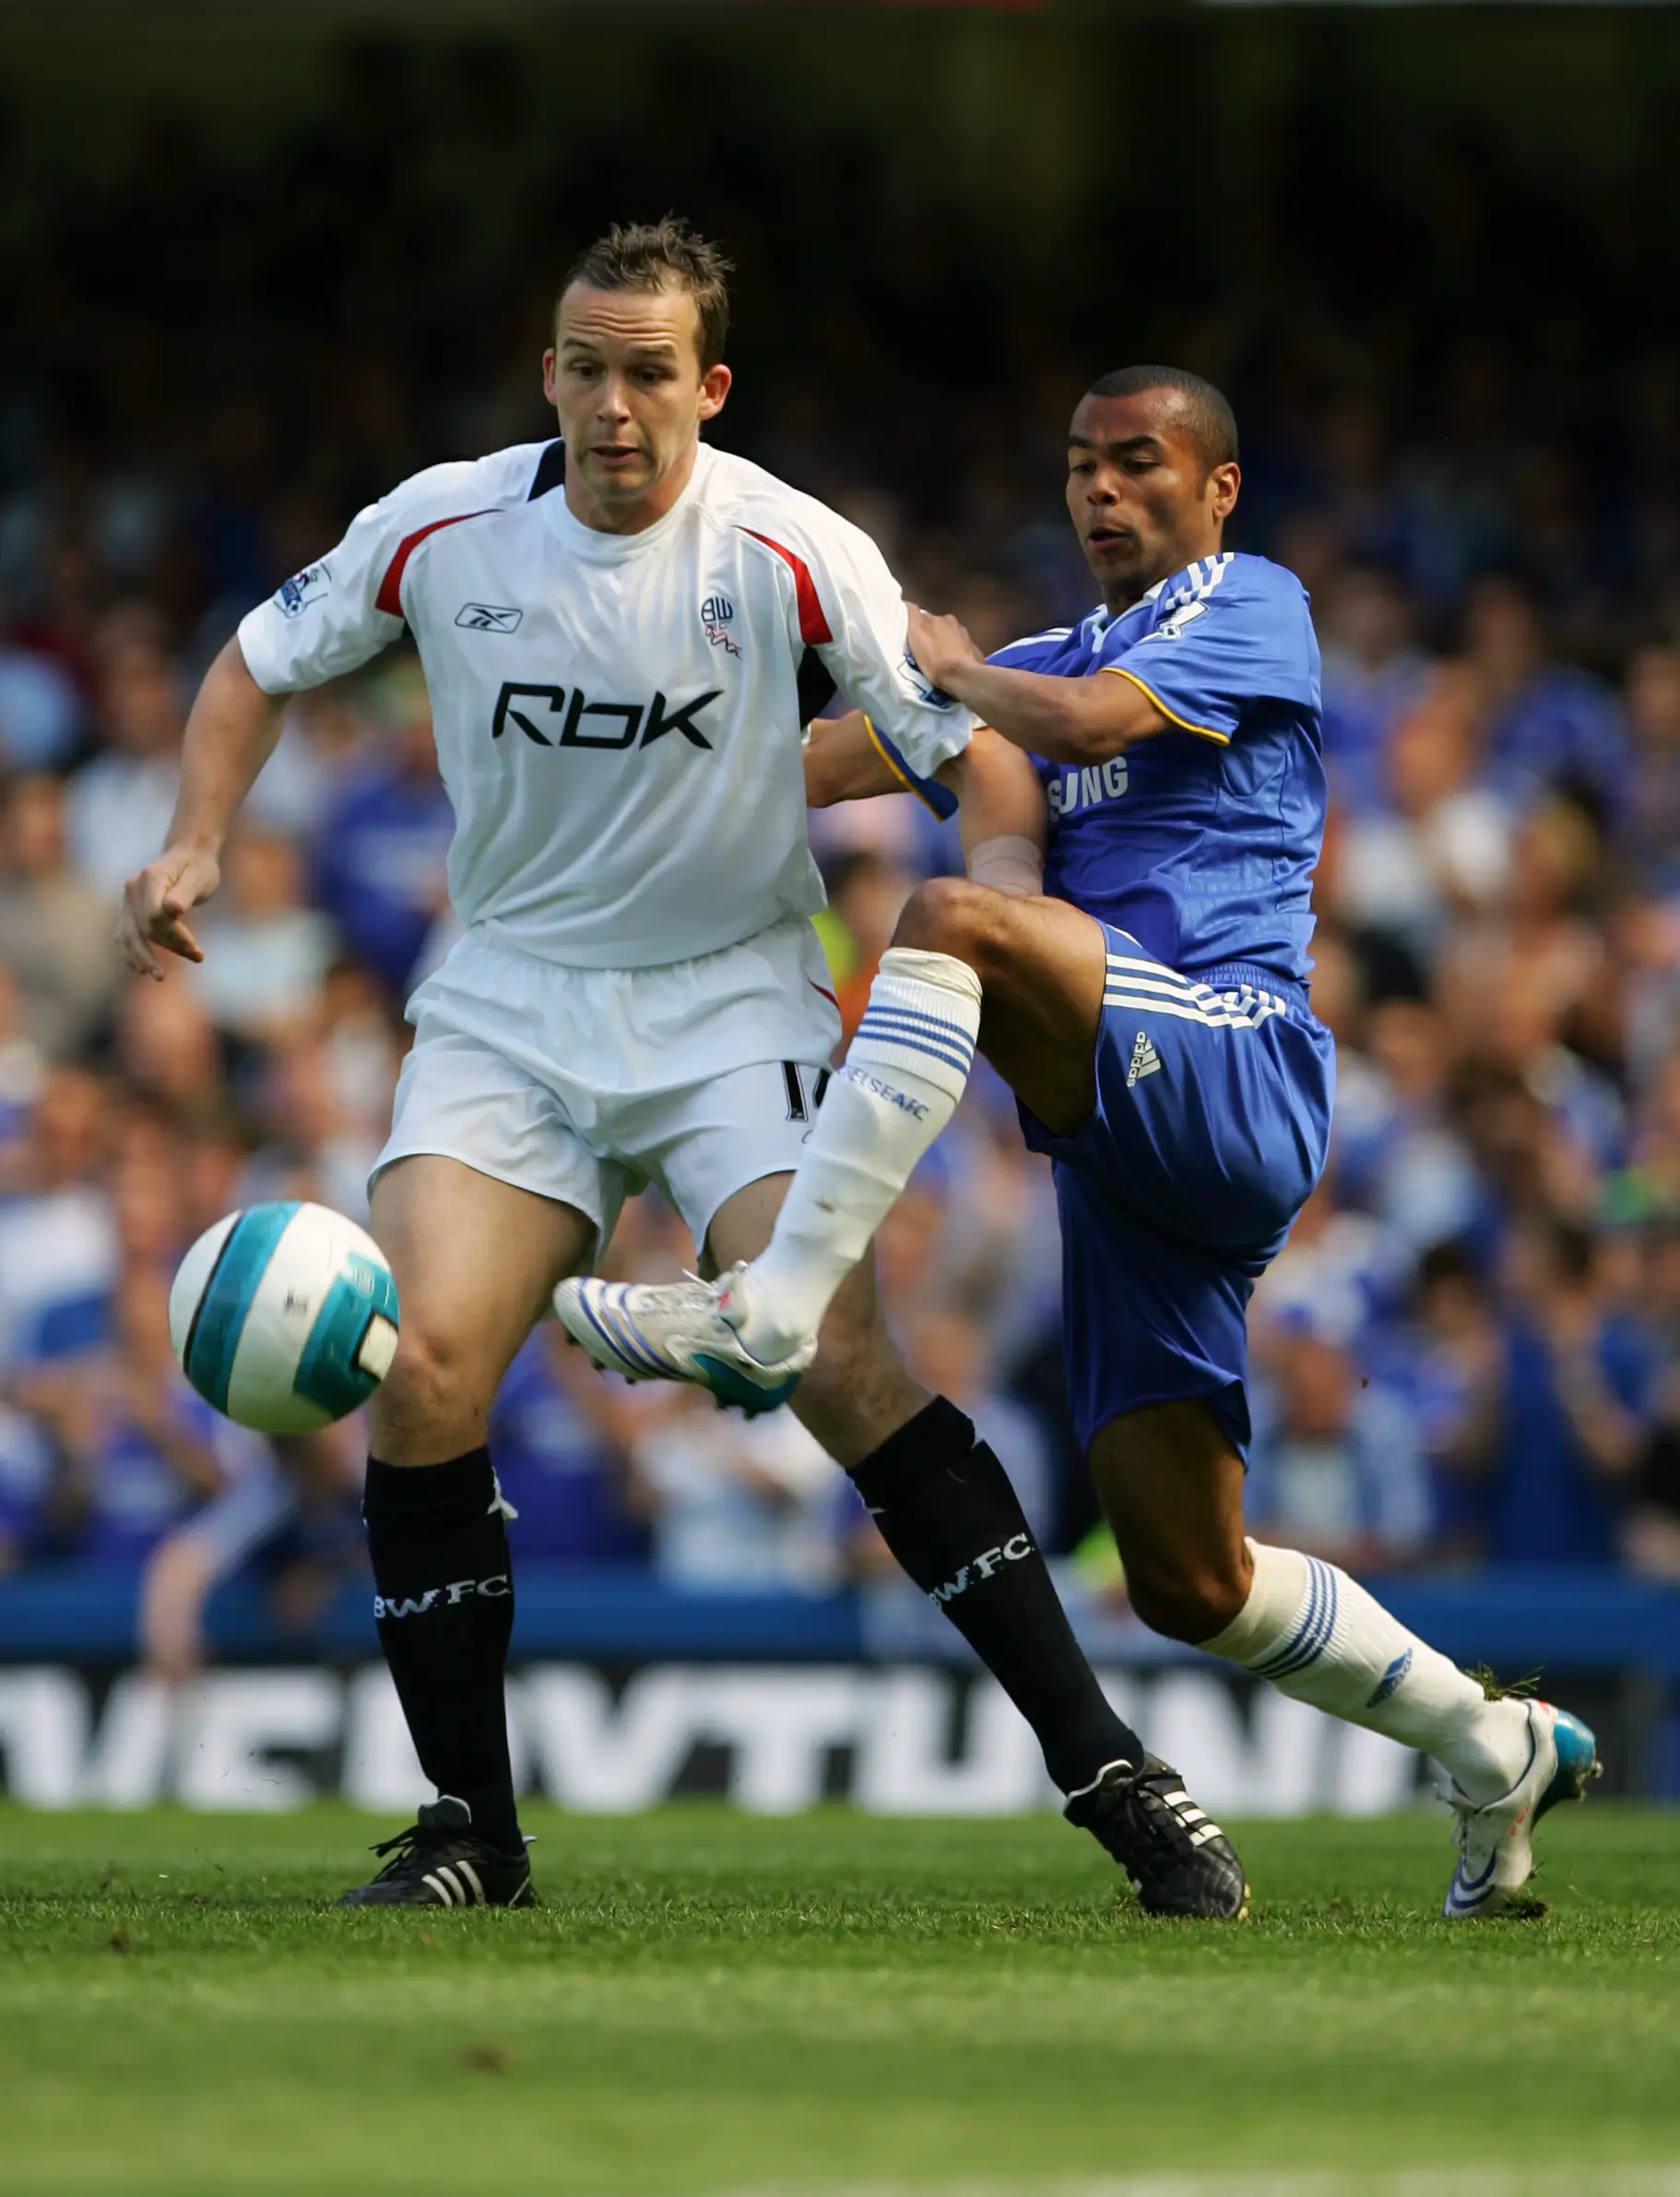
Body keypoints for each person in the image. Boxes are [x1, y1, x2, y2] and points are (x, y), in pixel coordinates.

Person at [119, 223, 1233, 1918]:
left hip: (731, 1007)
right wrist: (193, 840)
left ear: (709, 386)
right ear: (547, 374)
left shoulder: (797, 551)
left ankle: (1116, 1782)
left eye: (650, 372)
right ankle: (469, 1833)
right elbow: (255, 666)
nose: (614, 405)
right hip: (507, 1008)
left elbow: (963, 760)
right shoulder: (441, 524)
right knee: (421, 1372)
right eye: (586, 366)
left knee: (842, 1359)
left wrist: (1000, 900)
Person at [583, 363, 1602, 1919]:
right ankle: (1488, 1744)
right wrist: (627, 782)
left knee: (952, 918)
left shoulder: (1249, 604)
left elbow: (1062, 717)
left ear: (1215, 489)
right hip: (1124, 1149)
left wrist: (950, 670)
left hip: (1232, 1059)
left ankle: (778, 1297)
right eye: (1080, 466)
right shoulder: (1042, 659)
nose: (1103, 491)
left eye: (1137, 464)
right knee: (1190, 1579)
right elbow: (820, 763)